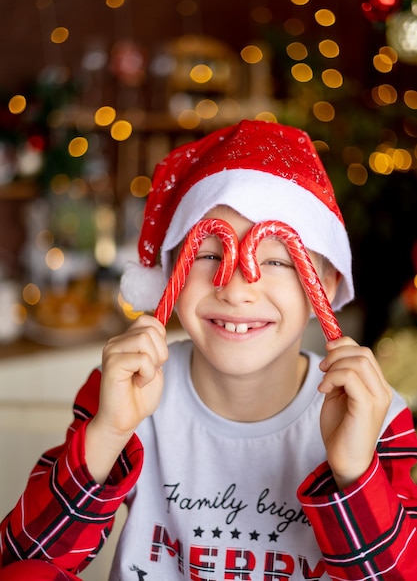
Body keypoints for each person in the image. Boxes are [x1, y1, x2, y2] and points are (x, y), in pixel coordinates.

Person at [1, 119, 417, 581]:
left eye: (278, 260)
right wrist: (108, 433)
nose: (237, 290)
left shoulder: (377, 417)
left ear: (328, 282)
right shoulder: (129, 392)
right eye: (209, 254)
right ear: (171, 274)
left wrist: (355, 473)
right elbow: (23, 560)